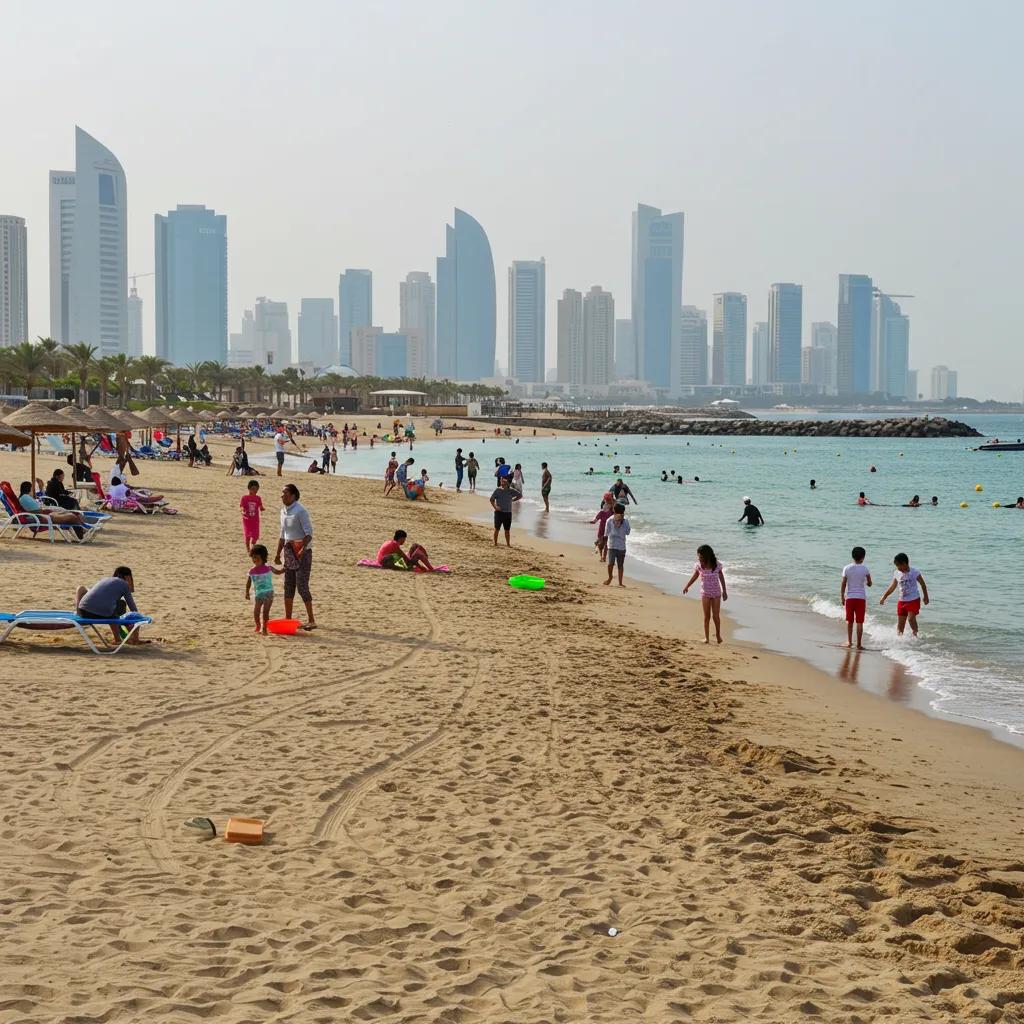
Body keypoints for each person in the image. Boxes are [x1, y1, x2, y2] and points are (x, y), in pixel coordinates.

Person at [274, 484, 315, 631]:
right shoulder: (283, 511)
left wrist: (303, 549)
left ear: (292, 496)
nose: (282, 496)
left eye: (284, 493)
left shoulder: (300, 511)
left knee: (302, 586)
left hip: (303, 553)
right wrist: (278, 553)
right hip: (289, 551)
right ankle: (288, 618)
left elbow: (309, 533)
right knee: (288, 585)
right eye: (282, 493)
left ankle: (311, 620)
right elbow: (282, 534)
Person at [75, 566, 148, 645]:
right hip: (100, 613)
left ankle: (120, 634)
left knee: (111, 605)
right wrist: (138, 619)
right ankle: (129, 639)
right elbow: (132, 607)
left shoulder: (105, 579)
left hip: (82, 612)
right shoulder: (124, 584)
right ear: (127, 576)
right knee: (121, 604)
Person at [682, 544, 728, 644]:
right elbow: (695, 576)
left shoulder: (716, 564)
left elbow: (721, 578)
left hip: (716, 593)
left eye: (700, 555)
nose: (698, 557)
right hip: (705, 593)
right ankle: (706, 638)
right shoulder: (699, 565)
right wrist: (687, 586)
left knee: (716, 616)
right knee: (706, 616)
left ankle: (718, 636)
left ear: (706, 555)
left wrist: (724, 591)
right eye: (698, 555)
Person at [879, 552, 929, 637]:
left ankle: (915, 635)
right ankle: (900, 642)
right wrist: (884, 596)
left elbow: (923, 584)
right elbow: (893, 587)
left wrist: (926, 596)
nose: (898, 568)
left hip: (913, 599)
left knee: (911, 618)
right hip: (902, 601)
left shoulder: (914, 572)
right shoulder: (897, 573)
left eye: (899, 565)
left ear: (905, 563)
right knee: (900, 625)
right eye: (897, 566)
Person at [17, 481, 87, 536]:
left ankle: (82, 531)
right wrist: (46, 511)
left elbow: (34, 508)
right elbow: (36, 511)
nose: (32, 489)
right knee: (71, 516)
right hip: (44, 517)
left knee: (71, 514)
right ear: (28, 488)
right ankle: (82, 531)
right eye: (31, 487)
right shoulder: (25, 498)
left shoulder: (25, 497)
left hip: (44, 515)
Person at [246, 544, 284, 635]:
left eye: (257, 558)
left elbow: (278, 572)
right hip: (258, 594)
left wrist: (286, 568)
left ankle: (264, 629)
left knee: (265, 612)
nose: (255, 560)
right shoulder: (252, 571)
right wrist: (247, 592)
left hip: (269, 594)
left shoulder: (268, 568)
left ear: (263, 557)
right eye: (253, 558)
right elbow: (248, 582)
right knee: (256, 611)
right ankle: (258, 625)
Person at [840, 546, 872, 650]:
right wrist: (868, 583)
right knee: (859, 622)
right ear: (863, 557)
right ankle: (858, 644)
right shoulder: (865, 569)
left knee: (849, 621)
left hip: (850, 598)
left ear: (852, 556)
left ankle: (849, 641)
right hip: (861, 598)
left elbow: (843, 584)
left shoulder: (847, 568)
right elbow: (869, 583)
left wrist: (842, 596)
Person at [602, 503, 631, 587]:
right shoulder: (610, 520)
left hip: (618, 546)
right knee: (615, 564)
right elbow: (606, 533)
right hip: (614, 545)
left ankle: (617, 581)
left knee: (616, 564)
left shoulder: (624, 521)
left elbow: (628, 532)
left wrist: (621, 523)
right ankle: (613, 579)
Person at [490, 475, 521, 547]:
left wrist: (513, 500)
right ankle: (495, 543)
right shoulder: (498, 490)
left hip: (508, 513)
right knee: (497, 529)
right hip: (499, 513)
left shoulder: (511, 490)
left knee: (507, 530)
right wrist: (495, 507)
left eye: (504, 482)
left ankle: (508, 544)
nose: (502, 483)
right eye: (502, 482)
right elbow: (491, 499)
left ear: (508, 483)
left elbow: (520, 495)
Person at [240, 479, 264, 552]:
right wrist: (242, 511)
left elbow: (260, 506)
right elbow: (241, 507)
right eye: (253, 489)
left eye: (256, 489)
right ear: (249, 489)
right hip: (247, 520)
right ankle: (248, 549)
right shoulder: (244, 498)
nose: (255, 491)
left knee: (256, 535)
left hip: (255, 520)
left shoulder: (258, 498)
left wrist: (262, 508)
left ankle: (253, 544)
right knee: (247, 535)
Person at [590, 495, 614, 562]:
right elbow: (595, 520)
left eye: (608, 505)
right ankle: (601, 556)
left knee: (606, 544)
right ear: (603, 506)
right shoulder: (601, 512)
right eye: (605, 505)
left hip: (608, 530)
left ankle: (603, 557)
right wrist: (592, 522)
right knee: (601, 545)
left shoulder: (611, 512)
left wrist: (611, 500)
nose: (606, 506)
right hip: (601, 529)